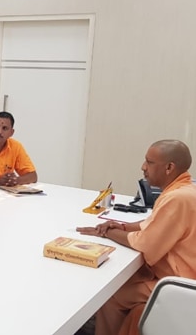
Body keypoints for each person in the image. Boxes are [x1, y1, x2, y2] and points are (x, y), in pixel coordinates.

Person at [76, 139, 196, 335]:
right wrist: (121, 225)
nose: (143, 167)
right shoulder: (184, 190)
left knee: (111, 294)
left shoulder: (177, 198)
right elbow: (153, 224)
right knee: (129, 288)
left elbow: (145, 244)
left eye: (149, 162)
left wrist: (109, 232)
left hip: (181, 284)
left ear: (169, 167)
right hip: (182, 277)